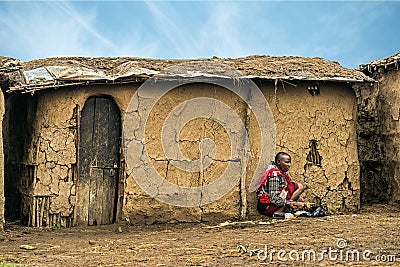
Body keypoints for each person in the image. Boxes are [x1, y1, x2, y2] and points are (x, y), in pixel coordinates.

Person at [256, 151, 308, 219]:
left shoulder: (282, 173)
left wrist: (301, 202)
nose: (289, 165)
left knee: (296, 186)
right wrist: (294, 203)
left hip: (272, 204)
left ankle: (282, 210)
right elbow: (274, 199)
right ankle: (278, 212)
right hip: (266, 206)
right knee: (291, 188)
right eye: (286, 162)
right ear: (278, 162)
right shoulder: (274, 175)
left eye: (289, 162)